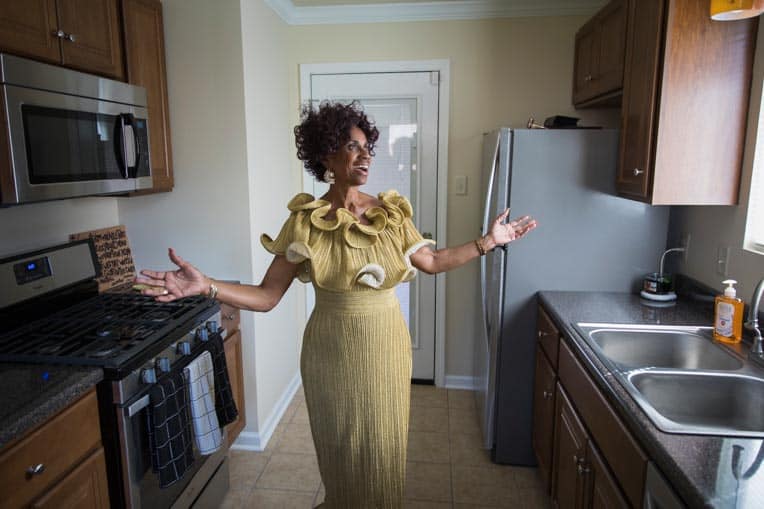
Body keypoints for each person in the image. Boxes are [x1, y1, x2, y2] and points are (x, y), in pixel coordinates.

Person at [136, 101, 536, 508]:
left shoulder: (391, 214)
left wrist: (489, 242)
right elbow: (267, 295)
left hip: (387, 349)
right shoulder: (306, 221)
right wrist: (207, 286)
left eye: (367, 147)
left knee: (383, 455)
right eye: (351, 146)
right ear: (326, 155)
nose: (365, 156)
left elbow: (432, 261)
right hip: (331, 354)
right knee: (342, 457)